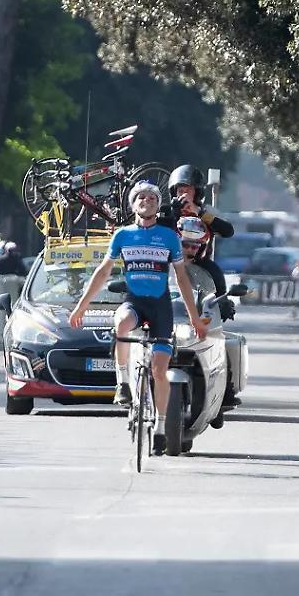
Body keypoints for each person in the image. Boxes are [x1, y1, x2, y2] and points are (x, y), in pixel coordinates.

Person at [69, 181, 205, 455]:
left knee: (159, 369)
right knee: (121, 323)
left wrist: (195, 319)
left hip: (161, 307)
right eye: (141, 197)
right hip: (134, 303)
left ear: (157, 205)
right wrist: (81, 306)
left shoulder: (169, 237)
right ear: (133, 204)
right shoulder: (122, 235)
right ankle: (122, 383)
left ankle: (160, 428)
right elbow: (103, 273)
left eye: (152, 198)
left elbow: (181, 278)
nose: (147, 201)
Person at [158, 164, 233, 297]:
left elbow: (228, 231)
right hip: (170, 264)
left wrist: (198, 212)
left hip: (199, 264)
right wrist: (175, 215)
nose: (183, 195)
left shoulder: (206, 212)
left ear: (197, 192)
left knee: (215, 271)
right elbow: (159, 232)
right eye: (180, 191)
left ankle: (222, 302)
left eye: (188, 191)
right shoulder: (166, 212)